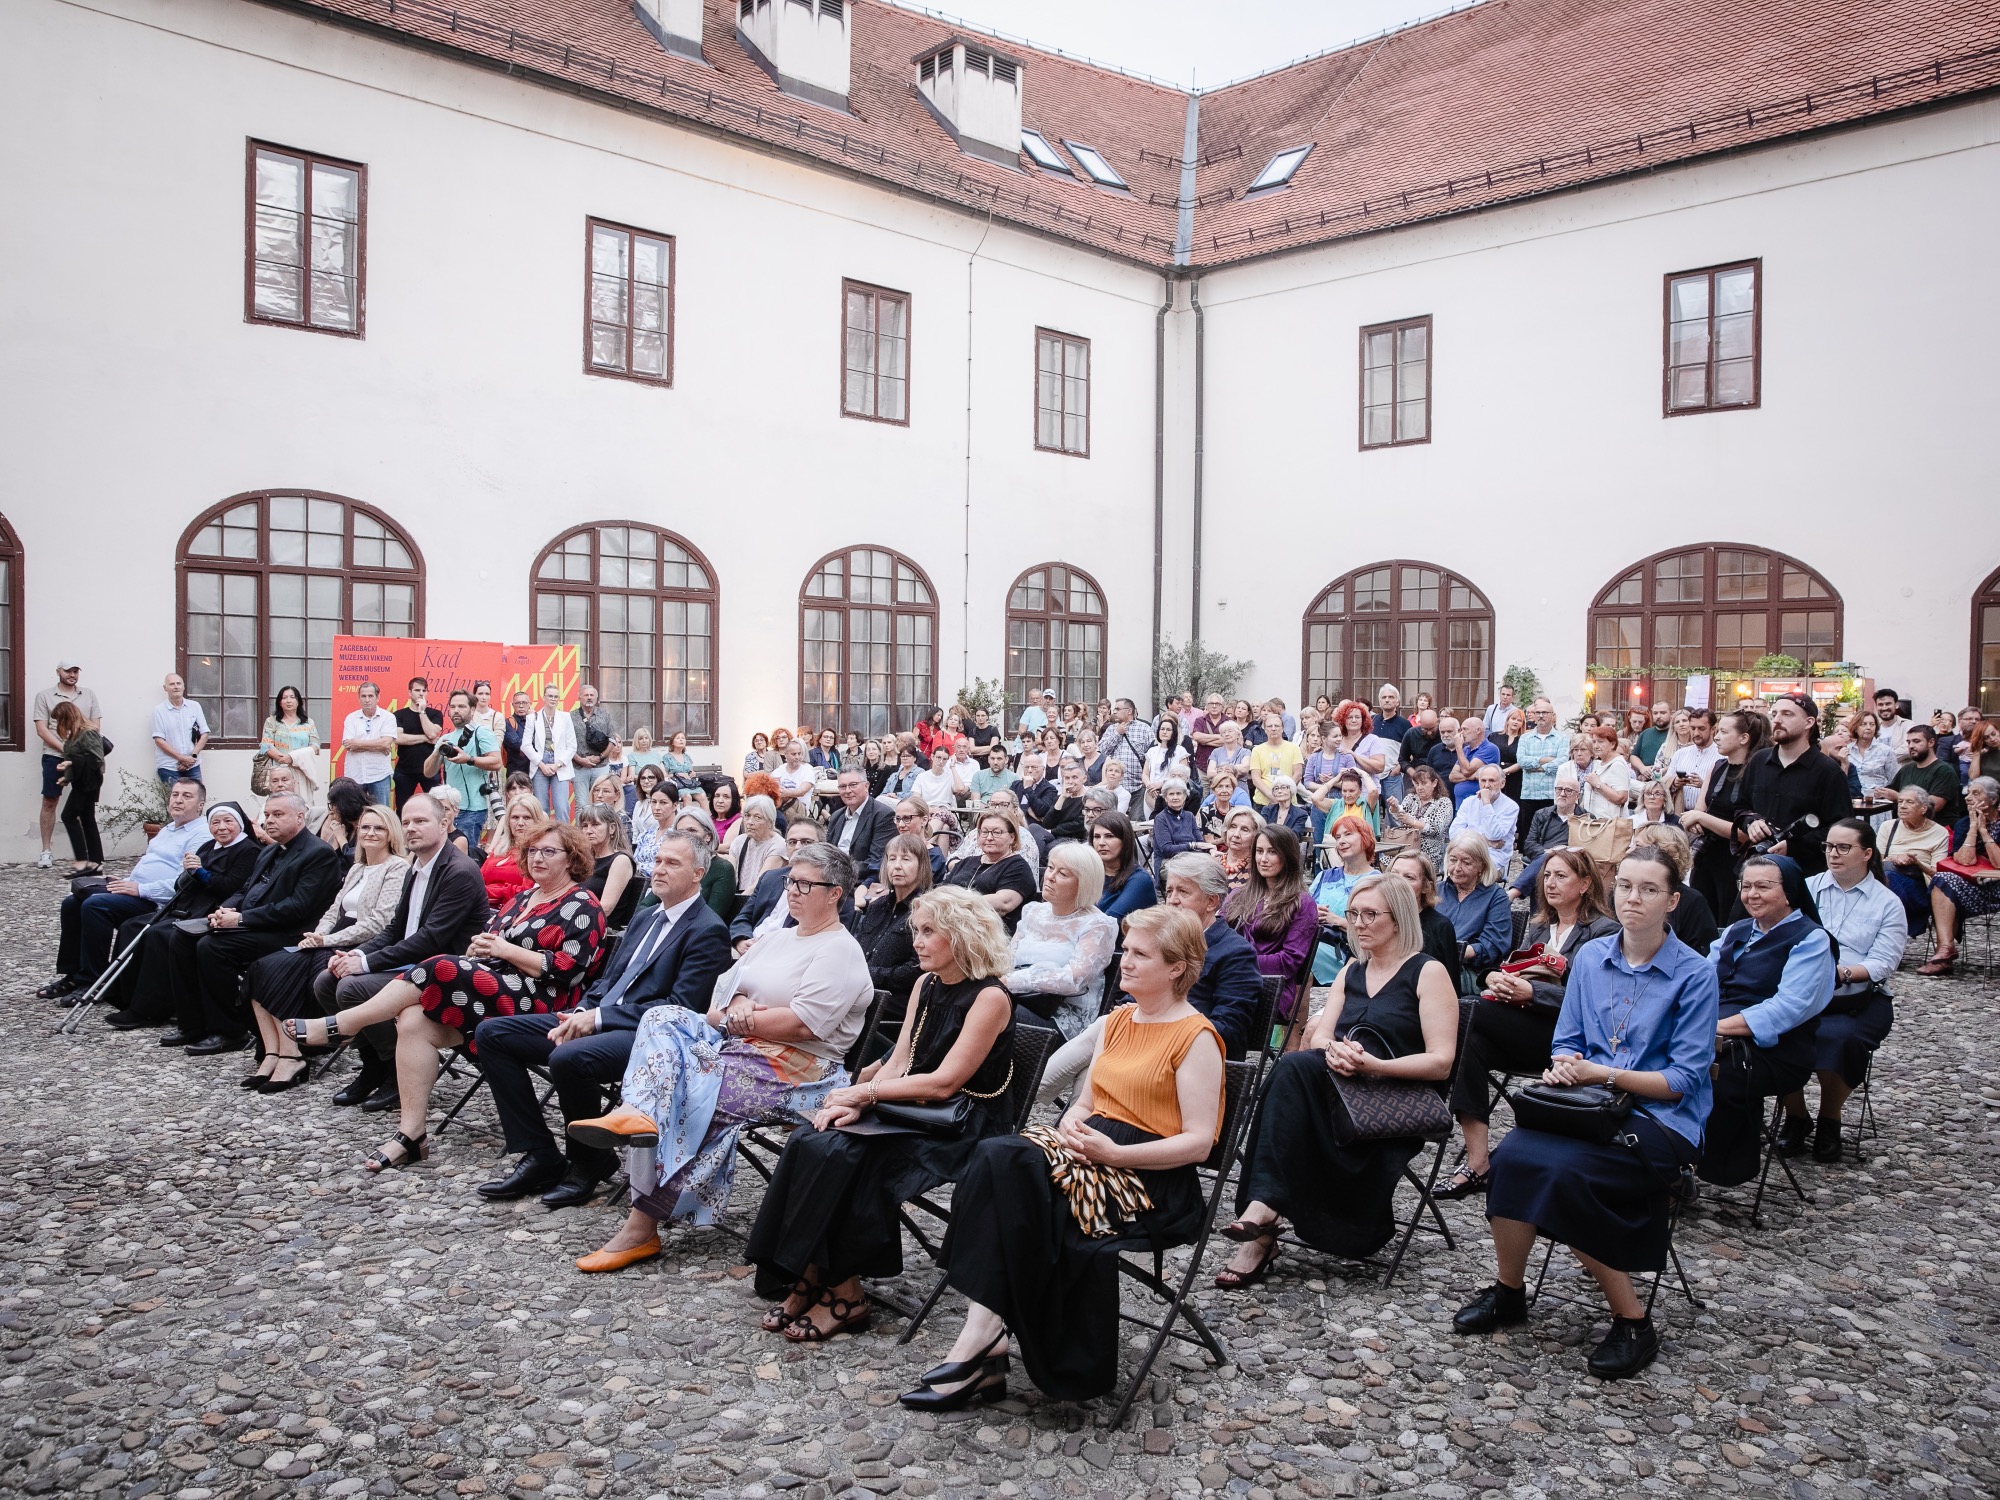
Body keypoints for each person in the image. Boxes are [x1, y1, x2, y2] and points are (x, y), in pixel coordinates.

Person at [904, 904, 1223, 1408]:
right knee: (997, 1159)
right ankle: (982, 1334)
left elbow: (1200, 1143)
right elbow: (1089, 1101)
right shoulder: (1118, 1020)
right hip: (1088, 1149)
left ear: (1177, 967)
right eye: (1127, 951)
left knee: (1005, 1165)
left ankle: (981, 1346)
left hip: (1146, 1177)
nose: (1126, 962)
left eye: (1141, 954)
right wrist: (1075, 1117)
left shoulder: (1196, 1036)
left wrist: (1116, 1153)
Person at [1452, 845, 1718, 1380]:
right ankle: (1509, 1291)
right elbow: (1566, 1038)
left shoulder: (1694, 973)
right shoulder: (1594, 958)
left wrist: (1602, 1074)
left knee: (1565, 1176)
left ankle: (1633, 1320)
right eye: (1626, 887)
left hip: (1659, 1121)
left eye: (1649, 890)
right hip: (1588, 1107)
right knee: (1512, 1158)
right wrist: (1566, 1065)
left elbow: (1683, 1083)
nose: (1634, 899)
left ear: (1672, 901)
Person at [562, 843, 874, 1271]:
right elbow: (720, 996)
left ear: (835, 893)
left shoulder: (839, 949)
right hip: (737, 1049)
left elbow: (804, 1025)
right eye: (791, 882)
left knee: (692, 1091)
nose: (793, 891)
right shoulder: (776, 938)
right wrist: (741, 1001)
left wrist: (735, 1017)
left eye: (805, 884)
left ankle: (640, 1227)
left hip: (797, 1069)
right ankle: (638, 1111)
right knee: (661, 1016)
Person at [749, 886, 1018, 1342]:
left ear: (963, 935)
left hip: (960, 1123)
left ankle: (845, 1293)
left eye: (930, 931)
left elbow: (945, 1082)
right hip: (909, 1106)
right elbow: (900, 1062)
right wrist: (853, 1096)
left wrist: (864, 1097)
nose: (917, 940)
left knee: (849, 1156)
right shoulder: (926, 983)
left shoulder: (991, 997)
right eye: (917, 929)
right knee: (811, 1140)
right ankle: (811, 1273)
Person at [291, 822, 605, 1171]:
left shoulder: (583, 903)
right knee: (412, 1021)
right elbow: (491, 945)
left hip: (543, 1003)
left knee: (441, 966)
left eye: (550, 851)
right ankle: (411, 1136)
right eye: (533, 850)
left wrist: (504, 950)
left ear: (572, 859)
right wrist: (482, 948)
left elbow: (569, 970)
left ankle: (347, 1023)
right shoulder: (522, 899)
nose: (538, 858)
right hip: (492, 992)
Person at [471, 829, 732, 1207]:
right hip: (597, 1015)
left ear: (698, 874)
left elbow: (678, 1009)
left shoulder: (708, 930)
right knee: (492, 1034)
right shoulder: (645, 919)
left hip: (649, 1037)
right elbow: (608, 981)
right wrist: (580, 1011)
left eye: (672, 863)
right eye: (657, 860)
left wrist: (597, 1019)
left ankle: (587, 1162)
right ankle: (539, 1152)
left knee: (569, 1057)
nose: (658, 869)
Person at [1216, 873, 1456, 1285]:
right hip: (1344, 1087)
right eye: (1352, 914)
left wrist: (1374, 1066)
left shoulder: (1427, 972)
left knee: (1293, 1074)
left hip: (1393, 1098)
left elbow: (1441, 1063)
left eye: (1369, 914)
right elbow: (1321, 1034)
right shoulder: (1352, 971)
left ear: (1398, 919)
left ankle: (1263, 1221)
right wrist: (1335, 1050)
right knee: (1295, 1065)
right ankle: (1262, 1212)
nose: (1358, 923)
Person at [1436, 850, 1618, 1199]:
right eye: (1547, 875)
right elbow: (1509, 970)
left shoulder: (1603, 931)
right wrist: (1496, 981)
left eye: (1561, 876)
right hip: (1518, 1025)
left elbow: (1591, 1001)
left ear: (1584, 884)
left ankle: (1430, 1099)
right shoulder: (1537, 925)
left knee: (1462, 1010)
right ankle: (1478, 1162)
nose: (1549, 882)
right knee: (1470, 1042)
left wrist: (1532, 992)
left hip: (1564, 1039)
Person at [304, 794, 491, 1111]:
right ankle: (374, 1064)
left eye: (420, 821)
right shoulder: (415, 867)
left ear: (444, 823)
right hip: (411, 964)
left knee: (352, 987)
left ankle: (394, 1070)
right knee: (327, 980)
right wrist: (354, 956)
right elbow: (394, 929)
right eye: (406, 822)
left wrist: (364, 963)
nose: (411, 828)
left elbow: (431, 939)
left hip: (443, 973)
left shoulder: (458, 871)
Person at [241, 804, 410, 1092]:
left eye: (378, 828)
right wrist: (317, 935)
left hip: (363, 944)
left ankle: (293, 1055)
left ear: (391, 833)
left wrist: (327, 941)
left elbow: (379, 923)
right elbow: (334, 910)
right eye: (366, 827)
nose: (370, 833)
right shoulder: (357, 868)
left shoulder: (397, 867)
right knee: (262, 967)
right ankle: (273, 1052)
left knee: (291, 972)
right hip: (332, 939)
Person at [159, 793, 344, 1055]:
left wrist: (242, 918)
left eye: (278, 815)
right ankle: (193, 1024)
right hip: (255, 924)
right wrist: (226, 909)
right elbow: (247, 889)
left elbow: (298, 908)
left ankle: (229, 1031)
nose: (269, 821)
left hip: (290, 933)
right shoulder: (269, 850)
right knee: (182, 937)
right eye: (267, 815)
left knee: (212, 947)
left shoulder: (318, 854)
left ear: (300, 817)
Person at [1700, 856, 1836, 1186]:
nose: (1752, 894)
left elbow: (1786, 1009)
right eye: (1746, 886)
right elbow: (1700, 981)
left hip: (1779, 1052)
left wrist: (1712, 1028)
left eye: (1763, 886)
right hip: (1714, 1037)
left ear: (1789, 892)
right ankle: (1656, 1159)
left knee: (1714, 1077)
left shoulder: (1811, 940)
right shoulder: (1736, 930)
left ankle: (1705, 1169)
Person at [1781, 819, 1906, 1163]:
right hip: (1803, 990)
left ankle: (1829, 1120)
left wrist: (1842, 973)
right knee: (1774, 1032)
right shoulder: (1806, 888)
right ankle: (1796, 1116)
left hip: (1859, 996)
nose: (1832, 854)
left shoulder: (1887, 902)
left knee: (1840, 1039)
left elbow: (1883, 963)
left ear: (1867, 854)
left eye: (1842, 847)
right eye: (1828, 847)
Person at [43, 777, 210, 1002]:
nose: (178, 800)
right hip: (137, 889)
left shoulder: (201, 834)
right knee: (72, 902)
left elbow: (186, 883)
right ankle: (73, 975)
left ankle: (92, 980)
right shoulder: (169, 828)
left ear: (200, 804)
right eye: (175, 795)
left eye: (186, 796)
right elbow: (151, 864)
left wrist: (138, 888)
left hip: (160, 901)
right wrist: (124, 880)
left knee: (96, 906)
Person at [99, 800, 261, 1027]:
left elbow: (231, 886)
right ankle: (125, 997)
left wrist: (200, 872)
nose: (221, 827)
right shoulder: (208, 847)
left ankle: (150, 1009)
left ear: (240, 824)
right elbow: (182, 885)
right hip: (187, 906)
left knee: (157, 935)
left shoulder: (249, 851)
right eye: (215, 822)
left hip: (214, 911)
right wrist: (187, 872)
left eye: (228, 821)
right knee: (131, 926)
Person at [1741, 695, 1853, 877]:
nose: (1777, 720)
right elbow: (1741, 806)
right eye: (1775, 713)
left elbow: (1841, 828)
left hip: (1805, 874)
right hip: (1757, 868)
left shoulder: (1828, 771)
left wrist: (1795, 846)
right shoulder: (1759, 761)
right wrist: (1751, 823)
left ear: (1809, 722)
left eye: (1787, 714)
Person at [1225, 823, 1317, 1029]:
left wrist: (1238, 964)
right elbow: (1217, 933)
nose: (1263, 859)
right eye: (1259, 851)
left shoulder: (1302, 902)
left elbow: (1290, 961)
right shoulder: (1239, 895)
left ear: (1287, 856)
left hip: (1271, 986)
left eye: (1272, 852)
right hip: (1231, 979)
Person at [1685, 709, 1767, 919]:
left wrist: (1702, 819)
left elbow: (1746, 834)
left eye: (1723, 731)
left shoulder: (1756, 773)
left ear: (1743, 738)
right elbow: (1698, 810)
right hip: (1707, 856)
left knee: (1728, 919)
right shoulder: (1718, 766)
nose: (1717, 737)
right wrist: (1699, 818)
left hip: (1736, 862)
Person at [1918, 775, 2000, 975]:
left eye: (1976, 793)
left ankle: (1942, 957)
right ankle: (1945, 950)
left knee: (1947, 887)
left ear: (1993, 800)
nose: (1968, 798)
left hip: (1998, 885)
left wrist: (1985, 832)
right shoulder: (1964, 823)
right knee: (1942, 880)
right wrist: (1974, 828)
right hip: (1976, 884)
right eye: (1968, 793)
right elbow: (1965, 861)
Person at [855, 832, 933, 1017]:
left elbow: (917, 969)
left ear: (921, 865)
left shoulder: (927, 910)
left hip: (895, 1002)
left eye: (906, 859)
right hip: (862, 992)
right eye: (892, 859)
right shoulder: (876, 906)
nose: (897, 866)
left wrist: (868, 974)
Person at [33, 659, 101, 869]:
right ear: (58, 672)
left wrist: (75, 754)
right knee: (50, 801)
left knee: (83, 812)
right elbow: (42, 729)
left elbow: (95, 728)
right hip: (54, 755)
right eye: (68, 670)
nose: (72, 674)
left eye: (75, 671)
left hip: (84, 759)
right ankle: (47, 851)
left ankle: (89, 860)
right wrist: (66, 751)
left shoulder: (88, 694)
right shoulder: (45, 696)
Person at [423, 689, 502, 847]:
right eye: (452, 707)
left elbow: (497, 762)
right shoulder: (447, 738)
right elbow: (428, 771)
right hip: (448, 809)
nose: (456, 711)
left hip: (472, 808)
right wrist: (438, 751)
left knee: (465, 857)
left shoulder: (482, 732)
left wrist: (469, 759)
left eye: (461, 706)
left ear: (472, 710)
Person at [1307, 814, 1381, 979]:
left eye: (1348, 834)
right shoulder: (1324, 877)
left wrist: (1338, 921)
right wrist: (1311, 914)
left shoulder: (1378, 882)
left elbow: (1381, 931)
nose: (1341, 841)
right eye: (1337, 837)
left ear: (1365, 838)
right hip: (1317, 943)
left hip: (1354, 952)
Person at [941, 810, 1040, 932]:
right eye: (984, 832)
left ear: (1012, 837)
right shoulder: (966, 862)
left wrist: (955, 902)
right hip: (952, 927)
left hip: (990, 935)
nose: (989, 837)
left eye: (997, 832)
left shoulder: (1018, 867)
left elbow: (1003, 904)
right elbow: (942, 891)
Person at [1630, 823, 1721, 954]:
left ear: (1662, 853)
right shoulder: (1620, 893)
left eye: (1638, 846)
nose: (1628, 852)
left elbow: (1702, 959)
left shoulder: (1692, 901)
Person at [1437, 833, 1512, 990]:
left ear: (1481, 866)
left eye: (1466, 862)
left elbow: (1492, 945)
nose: (1457, 868)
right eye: (1453, 860)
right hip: (1431, 963)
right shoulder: (1437, 891)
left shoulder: (1495, 897)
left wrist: (1453, 951)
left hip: (1470, 971)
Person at [1387, 851, 1465, 992]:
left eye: (1409, 877)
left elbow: (1451, 988)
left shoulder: (1439, 927)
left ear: (1425, 887)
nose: (1398, 881)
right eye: (1393, 874)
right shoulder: (1377, 919)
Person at [1877, 784, 1948, 930]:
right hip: (1887, 877)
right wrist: (1894, 858)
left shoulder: (1939, 832)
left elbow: (1938, 873)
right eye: (1900, 802)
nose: (1902, 806)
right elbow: (1875, 861)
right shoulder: (1888, 826)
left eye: (1909, 802)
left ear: (1923, 808)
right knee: (1885, 876)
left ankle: (1886, 929)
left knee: (1888, 879)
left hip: (1918, 886)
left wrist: (1916, 862)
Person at [50, 701, 107, 875]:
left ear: (68, 717)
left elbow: (98, 760)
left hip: (89, 782)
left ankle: (83, 862)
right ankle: (95, 863)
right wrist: (66, 778)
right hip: (82, 781)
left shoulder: (87, 733)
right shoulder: (74, 735)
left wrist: (71, 763)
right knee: (87, 819)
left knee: (68, 816)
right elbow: (78, 759)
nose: (58, 724)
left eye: (60, 719)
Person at [826, 766, 895, 885]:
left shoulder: (882, 815)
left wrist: (840, 873)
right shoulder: (837, 816)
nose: (847, 791)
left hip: (859, 882)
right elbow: (827, 852)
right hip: (830, 879)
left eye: (853, 785)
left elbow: (876, 861)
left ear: (866, 786)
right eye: (843, 786)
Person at [1889, 724, 1965, 829]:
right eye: (1908, 742)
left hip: (1936, 829)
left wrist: (1898, 797)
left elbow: (1933, 806)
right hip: (1908, 827)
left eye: (1916, 741)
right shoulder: (1906, 769)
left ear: (1931, 742)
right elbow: (1890, 791)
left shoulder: (1944, 770)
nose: (1911, 746)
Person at [576, 804, 639, 928]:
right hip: (576, 923)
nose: (588, 831)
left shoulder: (620, 860)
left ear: (611, 828)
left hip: (600, 929)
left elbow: (605, 908)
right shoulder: (583, 859)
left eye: (595, 825)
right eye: (584, 826)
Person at [522, 683, 578, 822]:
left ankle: (563, 840)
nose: (553, 699)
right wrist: (541, 765)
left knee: (562, 806)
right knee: (541, 808)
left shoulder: (565, 717)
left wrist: (557, 765)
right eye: (550, 696)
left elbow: (572, 746)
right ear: (544, 697)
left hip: (560, 765)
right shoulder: (532, 718)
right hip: (540, 764)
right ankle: (542, 839)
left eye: (556, 697)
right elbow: (525, 745)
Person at [257, 685, 323, 802]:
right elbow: (266, 745)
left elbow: (315, 745)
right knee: (280, 804)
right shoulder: (272, 721)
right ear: (279, 702)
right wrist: (283, 759)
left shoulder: (308, 722)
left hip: (302, 770)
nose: (288, 701)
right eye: (284, 698)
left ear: (298, 701)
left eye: (292, 697)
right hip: (280, 772)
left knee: (302, 804)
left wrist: (293, 758)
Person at [1382, 761, 1453, 870]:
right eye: (1416, 783)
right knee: (1384, 862)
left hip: (1427, 853)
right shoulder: (1411, 797)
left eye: (1424, 783)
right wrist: (1395, 807)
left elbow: (1437, 829)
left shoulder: (1444, 802)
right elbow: (1401, 816)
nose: (1419, 787)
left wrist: (1412, 822)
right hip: (1405, 847)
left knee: (1405, 867)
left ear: (1434, 783)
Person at [340, 681, 398, 806]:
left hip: (379, 774)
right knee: (354, 813)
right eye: (363, 696)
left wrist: (358, 743)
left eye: (370, 696)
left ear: (378, 697)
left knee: (381, 813)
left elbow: (386, 744)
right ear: (359, 698)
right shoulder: (351, 718)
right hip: (355, 774)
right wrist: (378, 746)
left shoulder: (388, 717)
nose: (367, 700)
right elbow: (348, 745)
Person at [482, 791, 545, 909]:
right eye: (515, 817)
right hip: (483, 908)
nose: (520, 823)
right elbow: (478, 882)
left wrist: (493, 891)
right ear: (508, 821)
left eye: (527, 818)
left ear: (537, 821)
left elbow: (526, 892)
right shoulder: (500, 847)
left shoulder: (539, 852)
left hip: (514, 911)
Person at [391, 677, 446, 809]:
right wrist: (425, 738)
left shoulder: (435, 714)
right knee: (402, 808)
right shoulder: (399, 715)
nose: (421, 693)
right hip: (405, 770)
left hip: (431, 770)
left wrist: (422, 711)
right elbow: (398, 738)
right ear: (410, 693)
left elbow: (432, 733)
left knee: (436, 808)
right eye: (417, 690)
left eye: (424, 690)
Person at [1091, 810, 1156, 921]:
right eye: (1096, 837)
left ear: (1125, 840)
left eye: (1109, 836)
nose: (1101, 842)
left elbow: (1110, 921)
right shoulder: (1089, 874)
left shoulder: (1140, 879)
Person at [1449, 763, 1519, 863]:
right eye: (1483, 780)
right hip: (1466, 851)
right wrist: (1486, 841)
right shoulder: (1469, 802)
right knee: (1453, 865)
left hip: (1493, 857)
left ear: (1502, 783)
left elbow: (1494, 835)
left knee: (1471, 869)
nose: (1486, 785)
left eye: (1491, 781)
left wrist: (1486, 804)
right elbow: (1453, 833)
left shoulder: (1511, 806)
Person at [148, 673, 210, 786]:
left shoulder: (194, 706)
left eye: (178, 683)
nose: (176, 686)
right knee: (176, 802)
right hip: (169, 767)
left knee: (196, 800)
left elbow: (204, 733)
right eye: (172, 684)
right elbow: (159, 740)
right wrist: (181, 758)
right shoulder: (159, 711)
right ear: (165, 688)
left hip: (193, 765)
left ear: (183, 686)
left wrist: (192, 757)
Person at [727, 793, 789, 900]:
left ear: (770, 822)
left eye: (757, 817)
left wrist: (738, 904)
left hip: (762, 899)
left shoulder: (778, 845)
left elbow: (760, 884)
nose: (750, 822)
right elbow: (729, 878)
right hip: (740, 896)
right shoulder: (739, 841)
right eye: (747, 816)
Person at [1247, 711, 1304, 807]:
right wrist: (1271, 796)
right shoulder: (1257, 750)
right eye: (1270, 726)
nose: (1273, 729)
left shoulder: (1294, 748)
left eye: (1277, 726)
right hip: (1263, 803)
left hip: (1288, 801)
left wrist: (1284, 794)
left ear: (1282, 729)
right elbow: (1256, 778)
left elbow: (1297, 774)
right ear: (1265, 729)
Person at [1871, 687, 1914, 764]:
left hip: (1900, 774)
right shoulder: (1874, 728)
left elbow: (1907, 749)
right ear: (1876, 707)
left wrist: (1880, 759)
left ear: (1896, 705)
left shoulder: (1907, 725)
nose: (1884, 708)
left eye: (1888, 704)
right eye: (1880, 704)